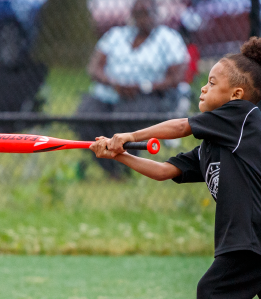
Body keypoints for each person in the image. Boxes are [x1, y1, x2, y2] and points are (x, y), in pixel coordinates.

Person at [90, 37, 261, 299]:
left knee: (211, 292)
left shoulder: (243, 116)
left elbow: (182, 126)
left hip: (258, 229)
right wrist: (119, 155)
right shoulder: (211, 145)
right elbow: (163, 171)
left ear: (236, 95)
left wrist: (130, 135)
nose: (203, 89)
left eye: (212, 83)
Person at [74, 0, 188, 180]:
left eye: (146, 13)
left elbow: (176, 77)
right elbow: (94, 68)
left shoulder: (169, 38)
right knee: (85, 117)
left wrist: (142, 86)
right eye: (138, 13)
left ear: (156, 14)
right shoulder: (116, 35)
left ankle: (127, 167)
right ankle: (111, 170)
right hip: (109, 93)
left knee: (124, 118)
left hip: (148, 95)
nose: (142, 18)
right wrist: (114, 84)